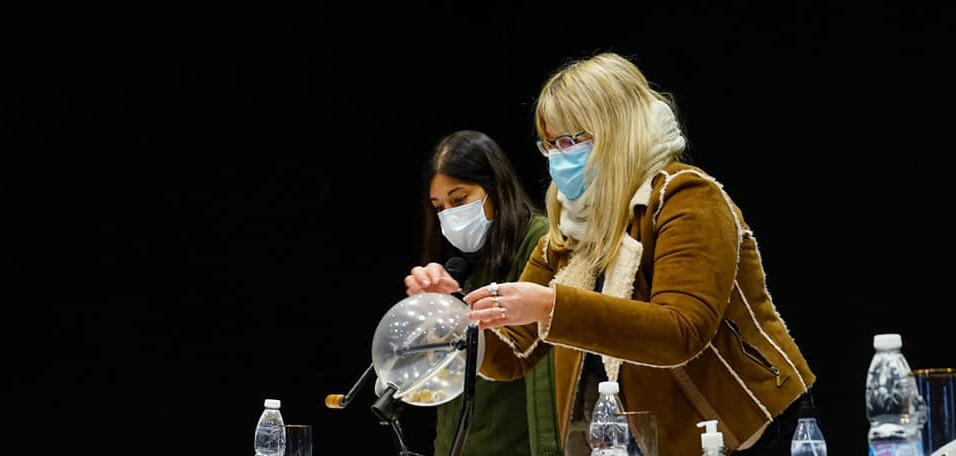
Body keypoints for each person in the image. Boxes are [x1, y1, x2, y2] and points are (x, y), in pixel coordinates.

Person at [404, 53, 816, 455]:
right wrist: (453, 311)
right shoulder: (567, 232)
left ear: (616, 130)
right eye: (550, 144)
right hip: (637, 439)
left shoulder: (685, 196)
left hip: (744, 433)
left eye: (571, 140)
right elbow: (512, 354)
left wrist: (551, 305)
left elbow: (681, 331)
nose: (559, 156)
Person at [406, 130, 561, 456]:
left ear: (494, 187)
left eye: (459, 200)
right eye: (439, 207)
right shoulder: (458, 265)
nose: (449, 216)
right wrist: (431, 311)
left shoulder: (542, 243)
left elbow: (535, 359)